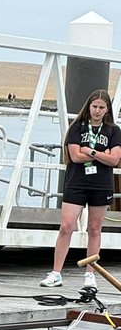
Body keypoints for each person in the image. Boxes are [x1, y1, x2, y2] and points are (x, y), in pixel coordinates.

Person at [42, 89, 121, 288]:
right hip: (77, 181)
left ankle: (90, 274)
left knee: (94, 228)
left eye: (101, 108)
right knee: (67, 225)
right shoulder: (77, 127)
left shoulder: (113, 131)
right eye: (94, 106)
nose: (97, 111)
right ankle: (56, 272)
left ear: (107, 110)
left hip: (101, 184)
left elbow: (114, 160)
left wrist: (90, 150)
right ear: (88, 107)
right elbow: (75, 156)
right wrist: (101, 154)